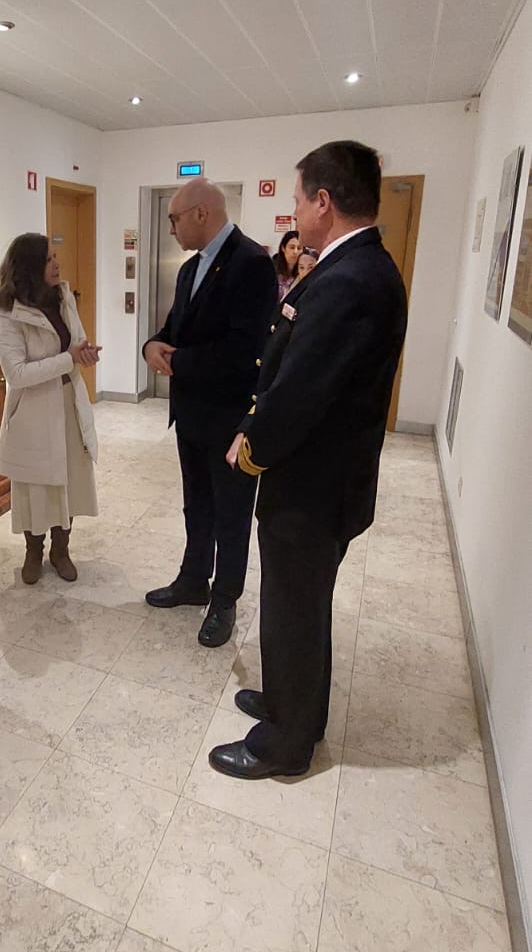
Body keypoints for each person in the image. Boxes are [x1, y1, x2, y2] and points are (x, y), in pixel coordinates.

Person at [209, 140, 407, 780]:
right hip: (321, 479)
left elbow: (302, 389)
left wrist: (252, 447)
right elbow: (291, 366)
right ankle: (293, 704)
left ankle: (285, 744)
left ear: (324, 201)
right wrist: (254, 419)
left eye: (297, 198)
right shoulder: (353, 266)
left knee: (295, 608)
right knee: (301, 604)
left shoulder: (351, 278)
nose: (293, 210)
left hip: (313, 487)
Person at [142, 179, 278, 647]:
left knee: (231, 513)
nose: (171, 228)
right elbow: (172, 329)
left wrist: (178, 361)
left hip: (229, 417)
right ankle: (193, 580)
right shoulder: (189, 269)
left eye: (174, 218)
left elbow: (244, 349)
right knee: (196, 503)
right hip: (191, 413)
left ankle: (225, 600)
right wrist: (151, 346)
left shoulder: (252, 263)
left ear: (201, 213)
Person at [0, 234, 100, 584]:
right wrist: (68, 359)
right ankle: (33, 551)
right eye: (49, 259)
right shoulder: (8, 311)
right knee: (36, 487)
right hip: (34, 412)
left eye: (56, 256)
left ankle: (61, 550)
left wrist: (84, 353)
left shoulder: (62, 296)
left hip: (69, 403)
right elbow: (16, 373)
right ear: (29, 266)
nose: (57, 264)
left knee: (68, 480)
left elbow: (76, 342)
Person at [273, 230, 302, 300]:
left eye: (299, 248)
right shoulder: (272, 269)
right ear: (283, 248)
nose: (295, 252)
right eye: (292, 247)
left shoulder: (304, 271)